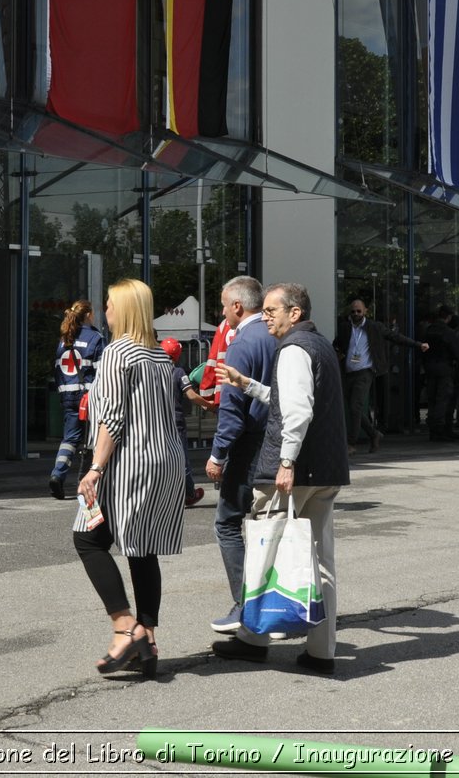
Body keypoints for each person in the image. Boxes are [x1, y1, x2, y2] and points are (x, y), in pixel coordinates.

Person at [209, 282, 350, 675]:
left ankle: (254, 641)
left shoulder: (292, 349)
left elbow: (298, 412)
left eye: (273, 310)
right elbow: (288, 399)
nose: (266, 316)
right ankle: (321, 652)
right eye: (266, 310)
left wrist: (286, 461)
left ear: (295, 313)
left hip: (294, 472)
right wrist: (247, 384)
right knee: (321, 560)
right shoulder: (317, 345)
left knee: (265, 550)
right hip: (325, 469)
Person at [72, 278, 185, 679]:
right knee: (141, 547)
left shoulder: (119, 351)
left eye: (110, 304)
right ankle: (147, 637)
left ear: (125, 309)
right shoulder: (157, 354)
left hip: (131, 461)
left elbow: (113, 418)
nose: (106, 311)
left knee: (88, 538)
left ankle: (124, 627)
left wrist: (96, 468)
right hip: (165, 458)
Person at [205, 275, 276, 636]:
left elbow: (232, 408)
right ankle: (274, 601)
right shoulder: (276, 337)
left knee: (228, 523)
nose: (221, 312)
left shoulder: (241, 343)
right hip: (275, 444)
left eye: (222, 304)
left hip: (249, 446)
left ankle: (244, 603)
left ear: (237, 306)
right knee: (267, 524)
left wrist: (218, 454)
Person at [332, 299, 426, 453]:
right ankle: (374, 434)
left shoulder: (374, 327)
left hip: (365, 372)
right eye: (353, 311)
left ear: (365, 311)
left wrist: (417, 344)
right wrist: (337, 353)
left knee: (356, 407)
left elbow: (396, 337)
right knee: (352, 408)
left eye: (359, 311)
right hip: (348, 372)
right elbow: (337, 344)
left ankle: (351, 443)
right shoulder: (345, 328)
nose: (356, 314)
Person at [50, 300, 107, 500]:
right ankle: (84, 481)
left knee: (69, 440)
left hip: (67, 395)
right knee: (92, 440)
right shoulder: (96, 338)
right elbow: (103, 373)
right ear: (89, 315)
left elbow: (58, 370)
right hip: (88, 396)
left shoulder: (65, 338)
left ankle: (58, 474)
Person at [159, 337, 205, 507]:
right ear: (177, 355)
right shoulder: (178, 372)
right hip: (176, 422)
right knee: (182, 459)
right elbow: (191, 395)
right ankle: (189, 494)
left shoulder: (153, 372)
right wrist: (208, 405)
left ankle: (164, 497)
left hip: (157, 422)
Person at [419, 305, 459, 441]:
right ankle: (440, 429)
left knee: (432, 399)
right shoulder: (448, 332)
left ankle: (434, 430)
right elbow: (457, 354)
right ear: (448, 317)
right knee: (443, 400)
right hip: (444, 369)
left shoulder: (428, 330)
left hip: (430, 368)